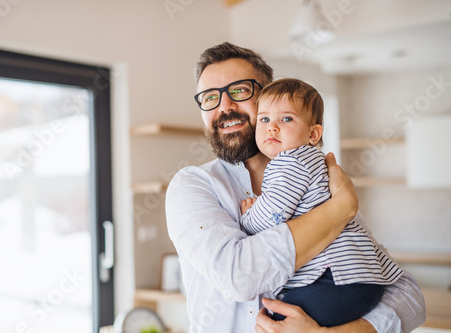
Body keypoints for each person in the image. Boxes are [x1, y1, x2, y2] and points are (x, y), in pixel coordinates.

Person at [165, 42, 425, 333]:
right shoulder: (192, 186)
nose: (225, 107)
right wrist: (340, 208)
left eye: (239, 90)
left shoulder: (318, 175)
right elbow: (240, 278)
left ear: (268, 96)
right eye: (210, 97)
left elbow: (409, 297)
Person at [239, 78, 403, 327]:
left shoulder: (289, 162)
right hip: (362, 279)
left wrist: (249, 215)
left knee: (277, 323)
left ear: (313, 134)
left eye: (286, 119)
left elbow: (270, 217)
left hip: (333, 278)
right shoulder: (313, 160)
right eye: (264, 119)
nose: (272, 127)